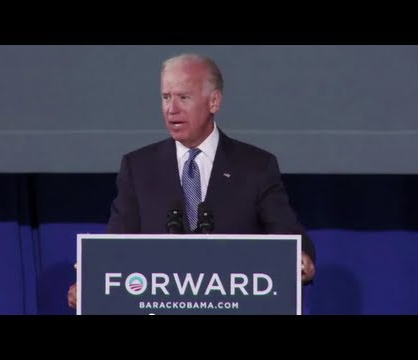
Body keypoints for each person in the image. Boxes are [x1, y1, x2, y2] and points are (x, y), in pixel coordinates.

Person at [67, 53, 316, 309]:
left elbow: (289, 236)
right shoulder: (138, 166)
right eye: (166, 97)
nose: (171, 109)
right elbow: (116, 245)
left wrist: (302, 259)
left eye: (183, 97)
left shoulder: (255, 166)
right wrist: (90, 282)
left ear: (214, 101)